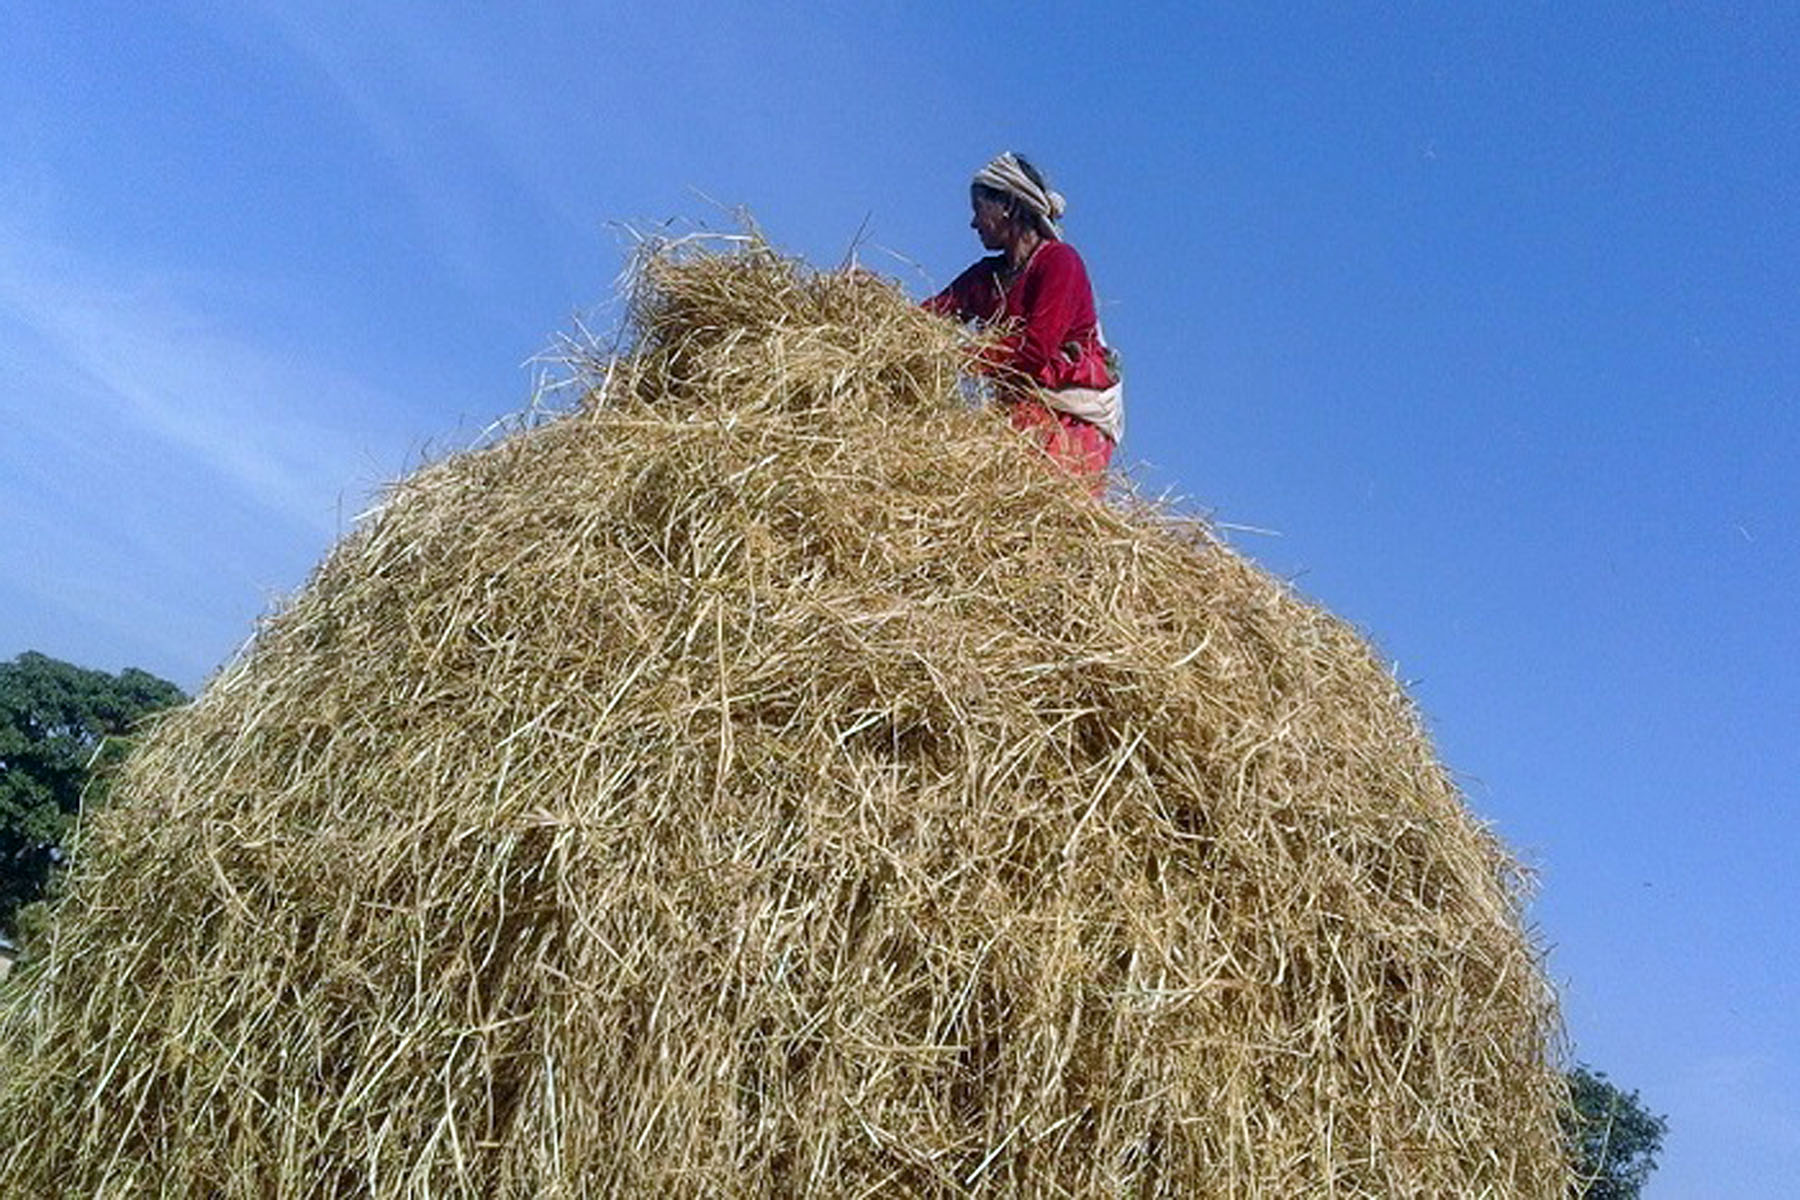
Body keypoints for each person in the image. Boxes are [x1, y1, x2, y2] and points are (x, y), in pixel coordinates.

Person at [924, 152, 1122, 484]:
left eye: (978, 210)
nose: (973, 223)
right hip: (1019, 413)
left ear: (1008, 207)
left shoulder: (1060, 262)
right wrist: (875, 306)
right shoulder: (987, 277)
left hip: (1067, 417)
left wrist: (958, 357)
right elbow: (929, 316)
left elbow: (1035, 350)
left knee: (1041, 506)